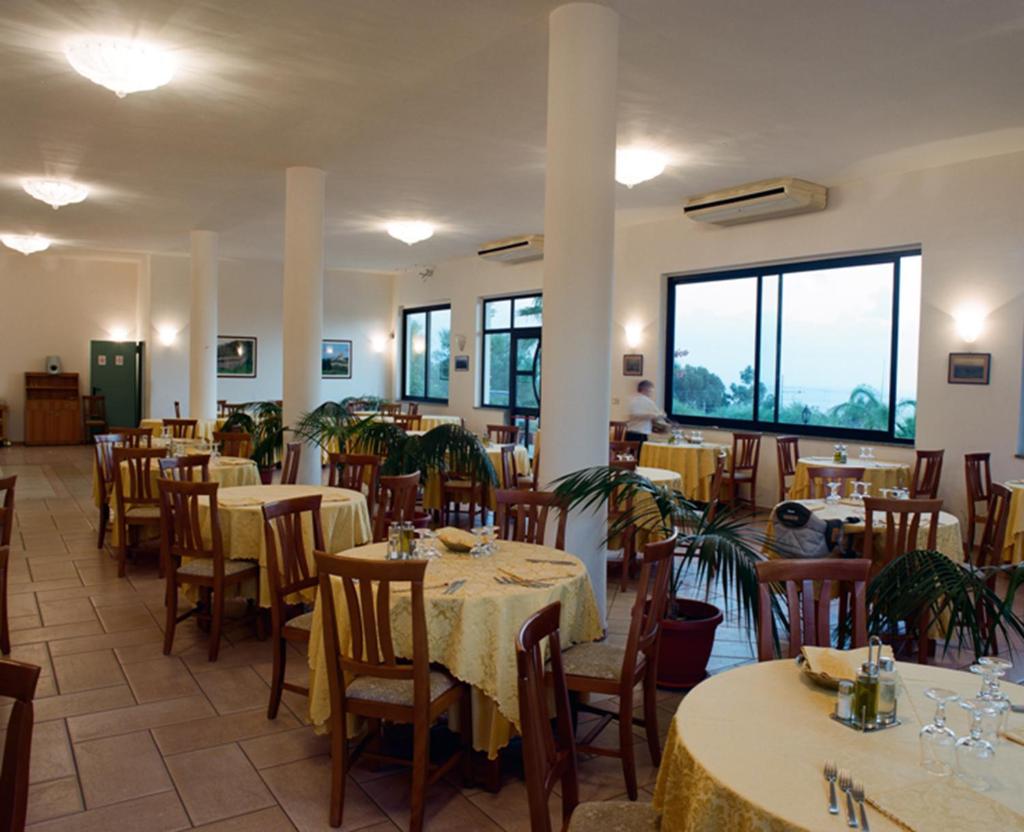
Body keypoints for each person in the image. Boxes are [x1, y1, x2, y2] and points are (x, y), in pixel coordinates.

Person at [626, 379, 669, 444]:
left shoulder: (631, 399)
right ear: (646, 389)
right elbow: (657, 415)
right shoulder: (648, 402)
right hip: (641, 433)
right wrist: (662, 415)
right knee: (640, 454)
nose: (651, 393)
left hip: (629, 433)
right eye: (651, 391)